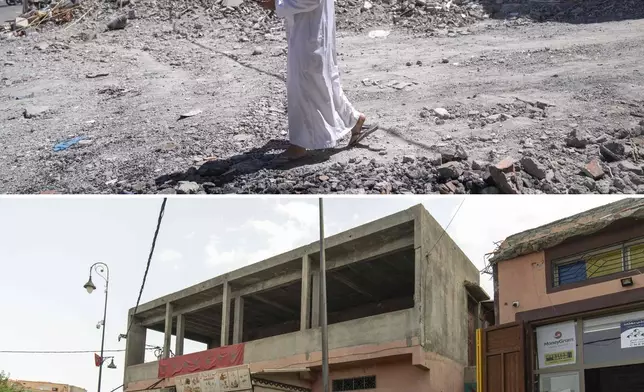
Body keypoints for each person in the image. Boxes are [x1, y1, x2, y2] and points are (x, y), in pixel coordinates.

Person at [257, 0, 378, 162]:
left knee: (305, 84)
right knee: (322, 82)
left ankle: (299, 145)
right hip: (309, 26)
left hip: (310, 29)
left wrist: (278, 4)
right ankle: (354, 118)